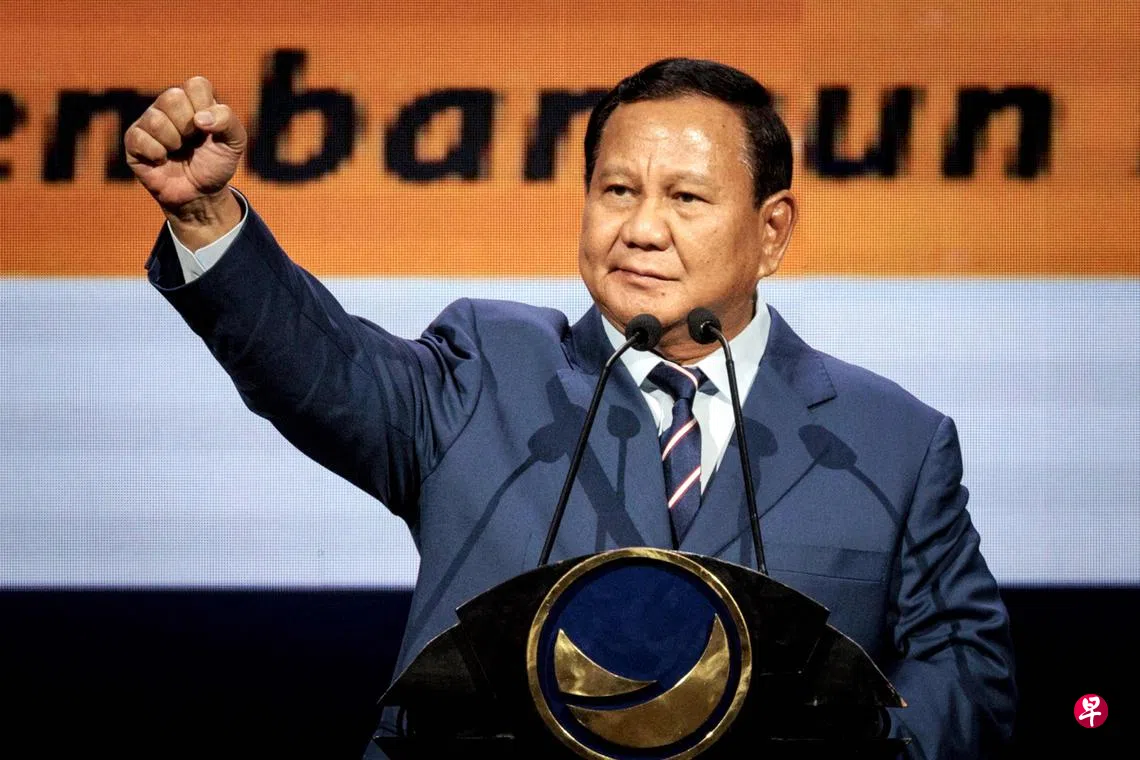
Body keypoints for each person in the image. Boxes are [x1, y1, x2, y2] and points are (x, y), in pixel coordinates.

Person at [126, 58, 1016, 758]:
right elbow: (324, 370)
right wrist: (206, 216)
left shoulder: (889, 441)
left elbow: (968, 673)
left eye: (686, 198)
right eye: (617, 190)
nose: (641, 229)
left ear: (772, 229)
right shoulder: (487, 369)